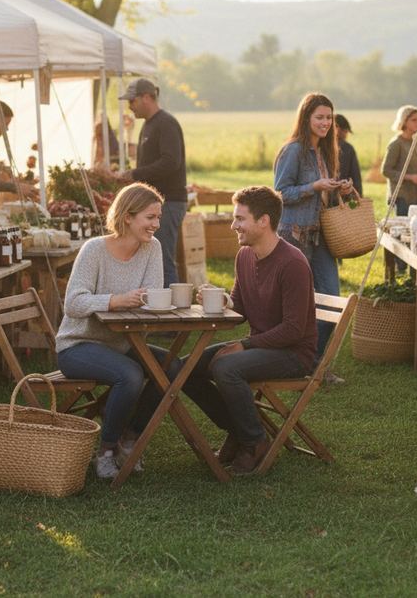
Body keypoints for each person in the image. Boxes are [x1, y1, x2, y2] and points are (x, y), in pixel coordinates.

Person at [175, 186, 317, 475]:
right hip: (263, 345)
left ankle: (254, 442)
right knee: (184, 368)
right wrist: (223, 300)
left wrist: (245, 346)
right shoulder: (245, 256)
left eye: (240, 218)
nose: (233, 225)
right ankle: (240, 430)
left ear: (263, 221)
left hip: (292, 353)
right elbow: (239, 305)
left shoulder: (293, 264)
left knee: (227, 367)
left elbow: (293, 329)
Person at [55, 183, 169, 479]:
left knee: (171, 368)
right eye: (150, 217)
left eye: (158, 217)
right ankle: (105, 451)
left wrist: (145, 299)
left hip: (121, 344)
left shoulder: (152, 248)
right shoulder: (94, 250)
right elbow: (73, 304)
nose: (156, 225)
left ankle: (130, 439)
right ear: (127, 217)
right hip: (78, 345)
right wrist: (115, 301)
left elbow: (153, 293)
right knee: (130, 375)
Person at [273, 93, 352, 366]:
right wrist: (314, 187)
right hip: (294, 235)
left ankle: (310, 362)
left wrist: (339, 188)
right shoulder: (293, 150)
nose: (326, 122)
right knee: (296, 305)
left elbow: (323, 193)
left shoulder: (326, 151)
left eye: (329, 117)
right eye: (319, 117)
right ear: (306, 118)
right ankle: (296, 362)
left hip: (321, 236)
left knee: (331, 299)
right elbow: (280, 193)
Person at [115, 78, 187, 287]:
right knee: (155, 259)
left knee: (162, 260)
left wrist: (135, 174)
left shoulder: (166, 123)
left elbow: (171, 162)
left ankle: (173, 312)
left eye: (132, 100)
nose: (130, 106)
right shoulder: (149, 125)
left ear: (147, 97)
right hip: (156, 204)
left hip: (168, 202)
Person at [381, 105, 417, 215]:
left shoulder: (415, 142)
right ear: (404, 121)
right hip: (401, 197)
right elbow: (386, 170)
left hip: (416, 195)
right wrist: (410, 177)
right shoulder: (396, 144)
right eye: (413, 120)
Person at [335, 113, 363, 194]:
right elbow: (356, 176)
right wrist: (359, 195)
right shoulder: (348, 148)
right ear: (338, 129)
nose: (346, 135)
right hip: (345, 195)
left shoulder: (320, 146)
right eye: (345, 131)